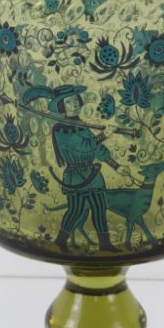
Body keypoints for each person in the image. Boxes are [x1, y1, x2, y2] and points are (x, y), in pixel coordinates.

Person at [22, 84, 130, 252]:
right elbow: (84, 146)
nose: (73, 105)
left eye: (75, 101)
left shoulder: (81, 125)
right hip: (76, 176)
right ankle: (60, 241)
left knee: (99, 208)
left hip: (93, 175)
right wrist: (104, 135)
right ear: (61, 107)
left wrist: (116, 166)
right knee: (75, 210)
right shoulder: (61, 130)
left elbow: (97, 149)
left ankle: (105, 243)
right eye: (68, 103)